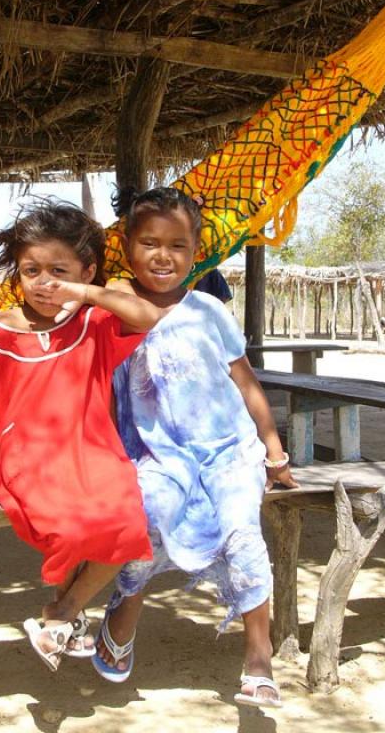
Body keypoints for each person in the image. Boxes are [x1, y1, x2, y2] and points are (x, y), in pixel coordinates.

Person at [0, 200, 163, 673]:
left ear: (87, 272)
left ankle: (61, 615)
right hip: (23, 455)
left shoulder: (93, 322)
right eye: (32, 270)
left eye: (59, 271)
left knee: (130, 522)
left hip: (92, 450)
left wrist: (86, 294)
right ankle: (65, 618)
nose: (44, 282)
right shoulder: (0, 333)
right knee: (68, 524)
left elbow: (147, 316)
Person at [92, 187, 298, 708]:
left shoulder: (208, 309)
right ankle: (123, 617)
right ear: (127, 244)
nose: (164, 257)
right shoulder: (117, 307)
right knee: (148, 519)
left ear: (196, 250)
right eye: (150, 243)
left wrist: (273, 450)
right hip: (160, 455)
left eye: (178, 246)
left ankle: (258, 655)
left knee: (242, 532)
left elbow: (246, 384)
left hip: (229, 452)